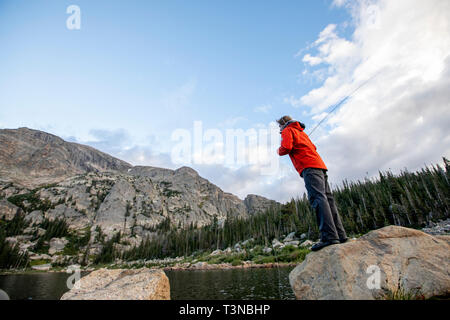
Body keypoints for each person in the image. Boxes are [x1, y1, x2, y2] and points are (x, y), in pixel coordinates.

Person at [277, 115, 347, 251]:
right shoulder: (301, 132)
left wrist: (278, 150)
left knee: (318, 198)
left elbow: (285, 147)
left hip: (308, 167)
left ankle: (329, 237)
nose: (279, 130)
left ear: (283, 124)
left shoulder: (287, 130)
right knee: (328, 199)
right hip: (320, 166)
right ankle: (340, 234)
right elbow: (313, 147)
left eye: (279, 127)